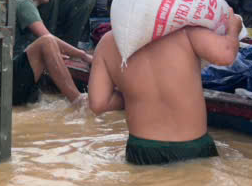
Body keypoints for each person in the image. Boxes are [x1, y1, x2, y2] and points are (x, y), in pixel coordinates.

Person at [87, 12, 243, 165]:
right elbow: (227, 54)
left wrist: (133, 97)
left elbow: (98, 104)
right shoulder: (185, 31)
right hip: (193, 147)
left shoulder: (108, 42)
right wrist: (233, 28)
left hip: (142, 149)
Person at [13, 0, 92, 105]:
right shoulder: (23, 3)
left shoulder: (27, 4)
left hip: (21, 80)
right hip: (14, 77)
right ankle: (78, 100)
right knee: (47, 41)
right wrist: (83, 56)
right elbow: (46, 37)